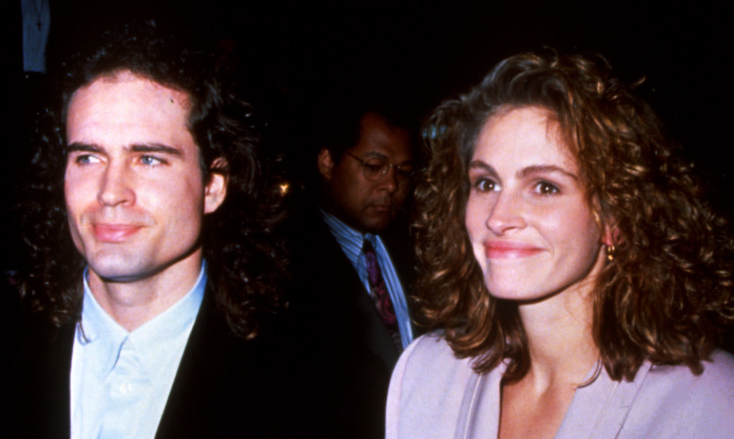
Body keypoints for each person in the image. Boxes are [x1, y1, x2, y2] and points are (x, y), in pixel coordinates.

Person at [0, 20, 295, 438]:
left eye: (148, 159)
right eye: (88, 158)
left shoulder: (305, 389)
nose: (110, 192)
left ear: (212, 186)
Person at [387, 51, 734, 439]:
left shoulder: (707, 402)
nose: (498, 217)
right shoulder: (424, 375)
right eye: (486, 183)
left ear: (615, 218)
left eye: (545, 187)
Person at [284, 101, 418, 438]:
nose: (391, 185)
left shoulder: (416, 247)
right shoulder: (286, 261)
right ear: (327, 162)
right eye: (374, 166)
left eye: (402, 171)